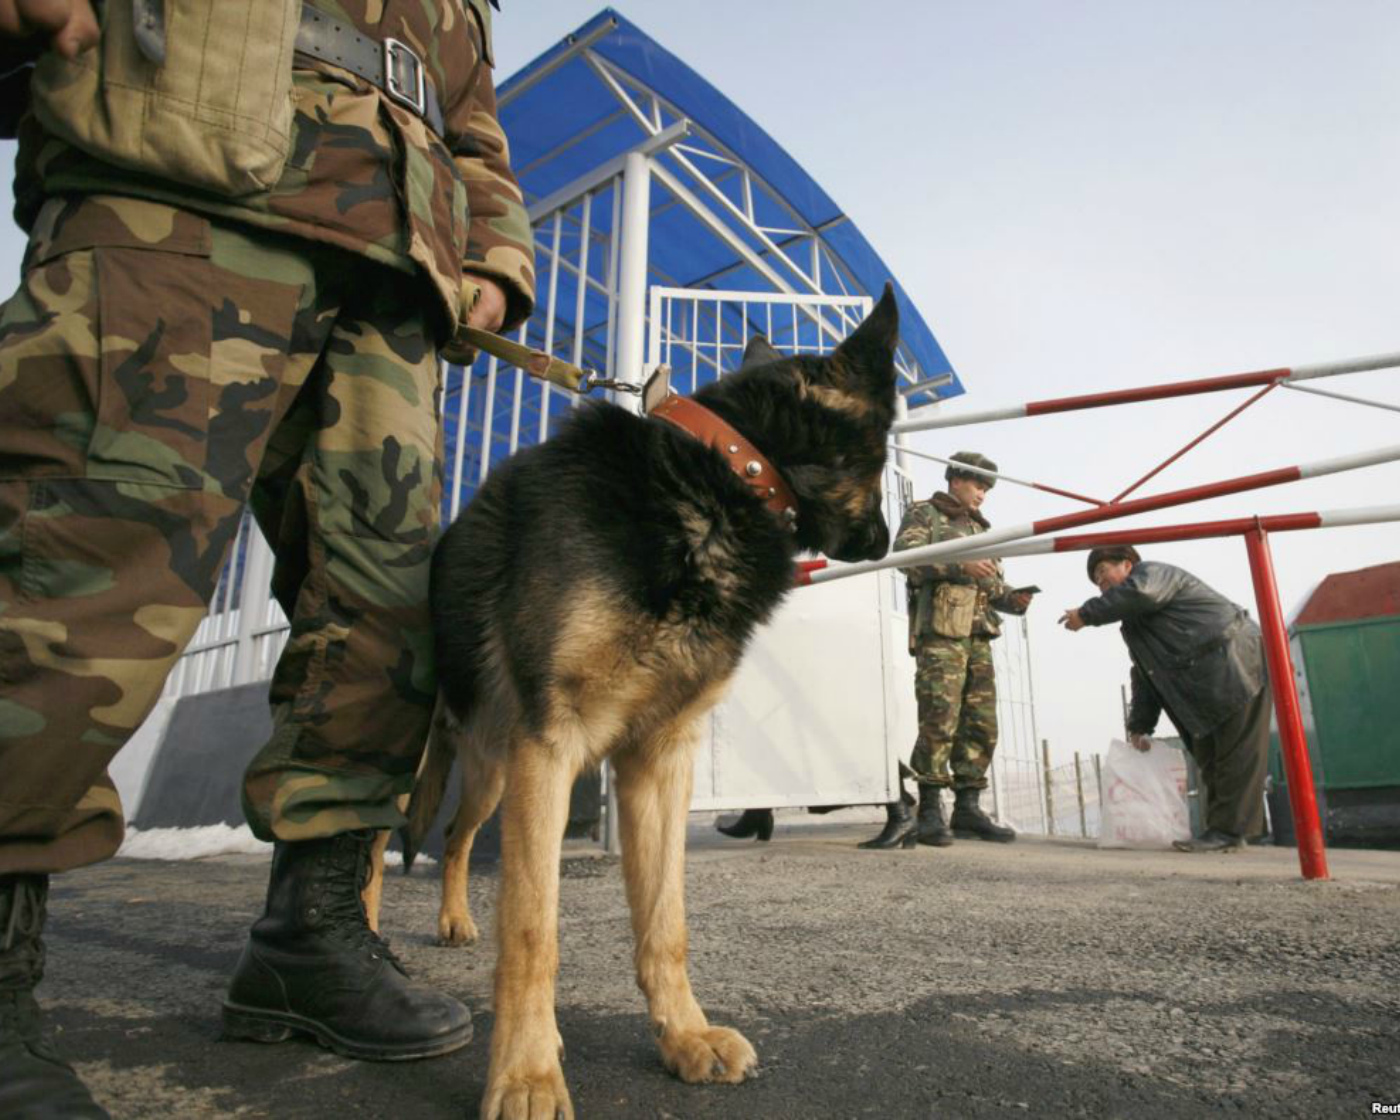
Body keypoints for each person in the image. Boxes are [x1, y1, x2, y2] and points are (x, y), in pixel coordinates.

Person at [0, 0, 534, 1114]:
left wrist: (493, 252)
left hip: (392, 269)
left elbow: (472, 119)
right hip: (178, 193)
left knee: (387, 616)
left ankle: (311, 937)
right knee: (79, 575)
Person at [861, 452, 1034, 849]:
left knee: (980, 723)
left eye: (987, 489)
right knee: (940, 718)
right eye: (979, 486)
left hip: (978, 637)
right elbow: (907, 559)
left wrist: (1011, 599)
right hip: (941, 635)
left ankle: (968, 808)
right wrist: (961, 565)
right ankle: (929, 811)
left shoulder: (979, 527)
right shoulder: (926, 514)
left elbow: (988, 587)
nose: (983, 496)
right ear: (956, 480)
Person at [1058, 545, 1271, 854]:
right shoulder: (1135, 626)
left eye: (1104, 572)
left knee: (1236, 755)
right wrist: (1140, 725)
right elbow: (1147, 674)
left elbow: (1140, 594)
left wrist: (1087, 614)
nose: (1101, 583)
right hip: (1203, 684)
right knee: (1210, 757)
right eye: (1096, 580)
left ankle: (1228, 831)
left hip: (1235, 662)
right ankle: (1228, 832)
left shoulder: (1153, 574)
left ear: (1127, 564)